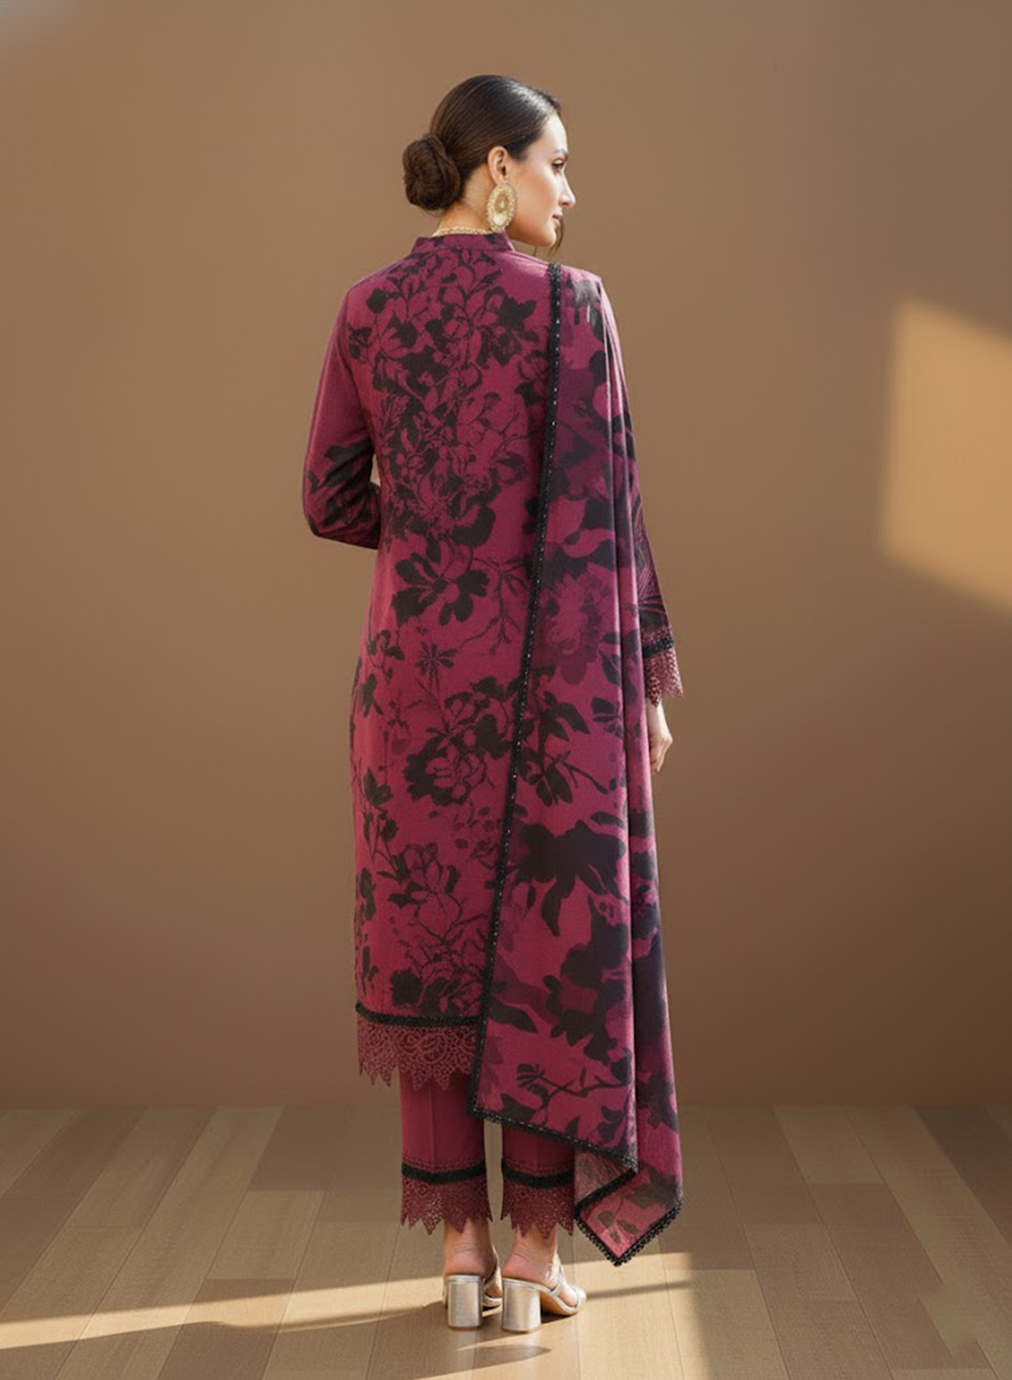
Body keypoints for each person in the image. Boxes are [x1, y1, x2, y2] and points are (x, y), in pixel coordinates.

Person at [302, 74, 686, 1333]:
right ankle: (532, 1255)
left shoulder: (367, 307)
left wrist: (433, 537)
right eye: (557, 164)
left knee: (430, 966)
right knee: (541, 964)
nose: (570, 192)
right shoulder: (576, 309)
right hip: (552, 689)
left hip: (411, 684)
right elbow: (612, 513)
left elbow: (326, 497)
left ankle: (457, 1251)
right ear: (498, 168)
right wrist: (641, 679)